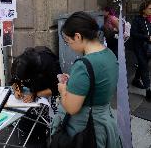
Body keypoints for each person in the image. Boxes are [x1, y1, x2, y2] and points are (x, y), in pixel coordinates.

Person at [52, 11, 122, 148]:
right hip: (106, 122)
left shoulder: (83, 65)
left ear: (77, 36)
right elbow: (98, 83)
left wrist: (63, 89)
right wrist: (75, 81)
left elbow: (72, 108)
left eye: (68, 41)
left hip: (86, 129)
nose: (69, 45)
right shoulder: (109, 54)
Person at [130, 0, 151, 100]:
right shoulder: (136, 20)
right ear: (144, 9)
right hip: (139, 47)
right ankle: (148, 91)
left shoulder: (148, 20)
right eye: (150, 8)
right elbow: (133, 34)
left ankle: (136, 80)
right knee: (145, 67)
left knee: (143, 65)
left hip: (147, 48)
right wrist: (147, 37)